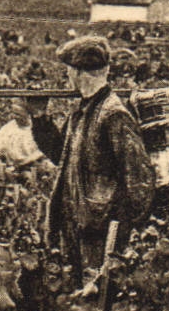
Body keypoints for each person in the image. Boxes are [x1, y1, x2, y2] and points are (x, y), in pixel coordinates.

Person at [45, 36, 156, 272]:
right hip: (77, 229)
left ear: (79, 72)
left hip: (100, 234)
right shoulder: (82, 111)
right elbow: (60, 157)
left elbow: (139, 181)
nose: (67, 76)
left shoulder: (113, 114)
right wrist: (38, 119)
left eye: (68, 70)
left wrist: (118, 235)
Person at [0, 97, 54, 171]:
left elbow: (45, 153)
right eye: (13, 113)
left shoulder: (40, 128)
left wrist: (24, 163)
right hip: (13, 169)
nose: (15, 116)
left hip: (37, 167)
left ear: (28, 113)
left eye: (18, 114)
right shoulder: (6, 130)